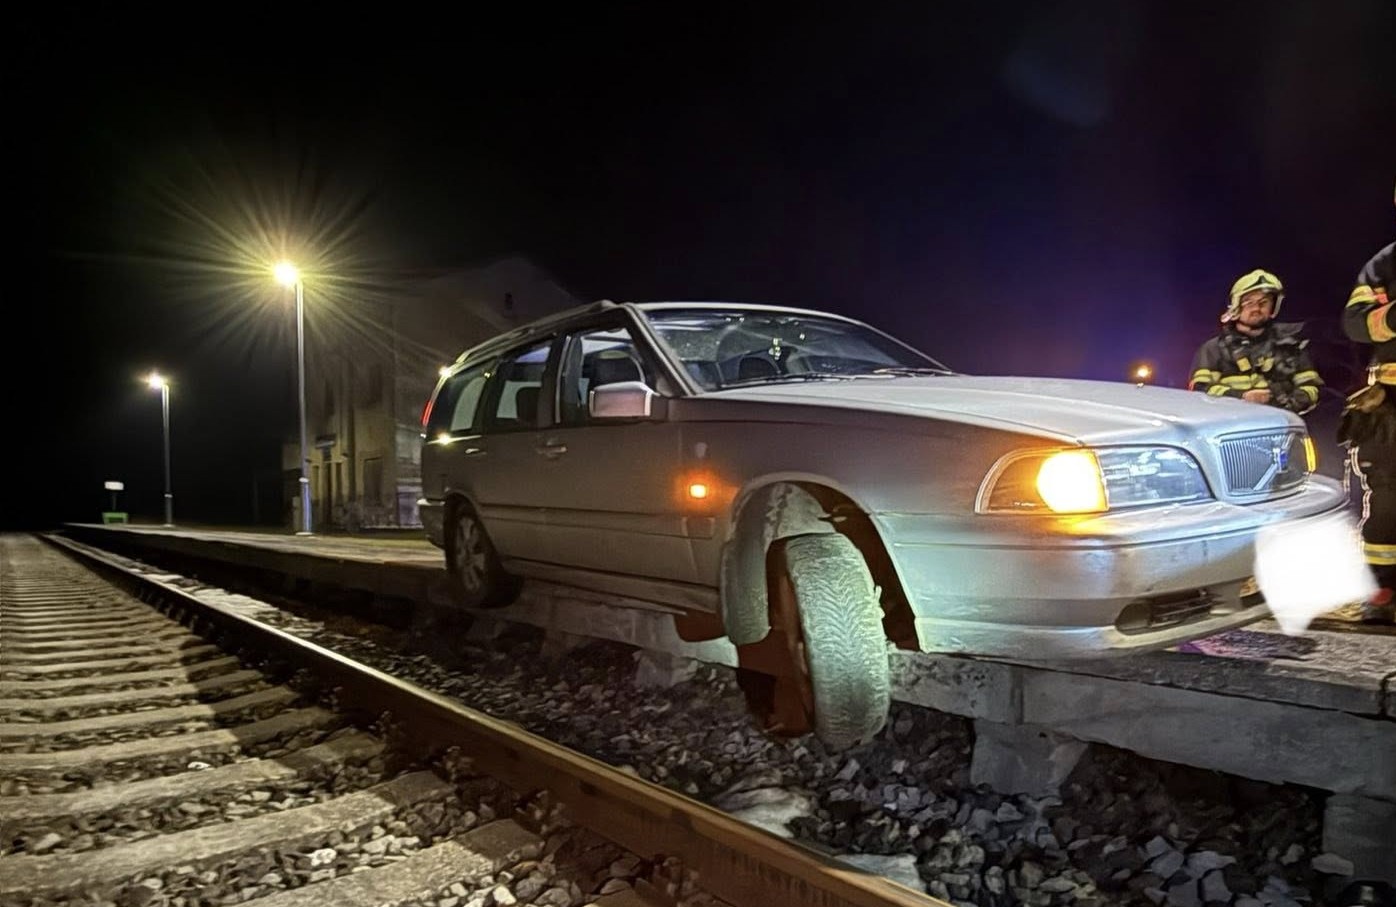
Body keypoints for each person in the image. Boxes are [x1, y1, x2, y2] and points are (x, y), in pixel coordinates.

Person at [1339, 206, 1395, 624]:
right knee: (1389, 495)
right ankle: (1383, 588)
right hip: (1391, 403)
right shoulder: (1385, 263)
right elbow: (1355, 322)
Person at [1188, 269, 1324, 414]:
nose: (1256, 308)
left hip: (1281, 422)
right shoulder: (1213, 349)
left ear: (1273, 307)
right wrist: (1242, 397)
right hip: (1229, 423)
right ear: (1235, 306)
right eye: (1249, 302)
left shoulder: (1290, 347)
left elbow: (1312, 388)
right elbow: (1199, 390)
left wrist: (1284, 404)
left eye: (1264, 302)